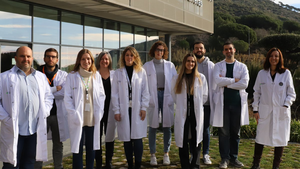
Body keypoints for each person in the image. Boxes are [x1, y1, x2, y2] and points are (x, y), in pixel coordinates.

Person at [0, 46, 54, 168]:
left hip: (33, 131)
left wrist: (44, 112)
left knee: (29, 164)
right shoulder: (4, 77)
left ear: (32, 58)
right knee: (11, 165)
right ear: (16, 58)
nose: (26, 59)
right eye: (22, 56)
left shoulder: (40, 77)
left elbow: (49, 97)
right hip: (14, 130)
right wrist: (6, 120)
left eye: (28, 56)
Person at [251, 48, 296, 169]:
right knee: (260, 137)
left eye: (276, 56)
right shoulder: (262, 73)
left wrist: (286, 105)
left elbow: (291, 94)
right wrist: (255, 109)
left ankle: (275, 166)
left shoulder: (286, 73)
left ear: (280, 58)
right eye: (271, 56)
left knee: (280, 139)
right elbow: (256, 92)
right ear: (268, 58)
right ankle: (256, 164)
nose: (274, 58)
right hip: (265, 111)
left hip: (281, 111)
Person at [64, 49, 106, 169]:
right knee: (77, 148)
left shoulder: (96, 75)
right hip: (78, 118)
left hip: (92, 117)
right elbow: (67, 98)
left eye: (88, 59)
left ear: (92, 61)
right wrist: (73, 114)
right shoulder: (72, 76)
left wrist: (100, 112)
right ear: (79, 61)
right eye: (83, 59)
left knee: (91, 147)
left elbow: (102, 95)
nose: (86, 61)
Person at [212, 42, 249, 169]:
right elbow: (217, 80)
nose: (228, 51)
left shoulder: (242, 67)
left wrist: (226, 83)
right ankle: (224, 159)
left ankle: (234, 158)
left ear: (234, 50)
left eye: (230, 49)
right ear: (223, 52)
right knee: (223, 133)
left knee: (235, 133)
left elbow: (244, 84)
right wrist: (234, 81)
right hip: (223, 105)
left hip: (237, 104)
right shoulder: (218, 66)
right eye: (226, 49)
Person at [111, 46, 149, 169]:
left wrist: (144, 108)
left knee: (137, 138)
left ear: (135, 57)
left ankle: (137, 164)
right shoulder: (118, 73)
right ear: (123, 57)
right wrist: (116, 110)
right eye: (127, 55)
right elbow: (114, 94)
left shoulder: (141, 71)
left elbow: (145, 91)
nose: (129, 57)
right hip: (124, 109)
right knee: (127, 139)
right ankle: (130, 164)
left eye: (131, 55)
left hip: (137, 109)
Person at [171, 53, 208, 169]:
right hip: (183, 114)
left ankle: (195, 165)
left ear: (195, 64)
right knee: (183, 142)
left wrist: (196, 106)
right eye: (188, 61)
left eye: (193, 61)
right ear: (184, 62)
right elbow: (174, 96)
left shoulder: (201, 78)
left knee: (196, 141)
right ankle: (185, 165)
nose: (190, 63)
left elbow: (205, 96)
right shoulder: (177, 78)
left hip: (195, 114)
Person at [143, 41, 177, 166]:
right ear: (153, 51)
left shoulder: (170, 65)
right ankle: (153, 154)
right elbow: (144, 83)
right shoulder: (147, 66)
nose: (159, 52)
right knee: (152, 126)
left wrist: (173, 97)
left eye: (162, 50)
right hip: (153, 95)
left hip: (166, 95)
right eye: (157, 49)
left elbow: (175, 82)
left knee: (167, 126)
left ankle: (166, 153)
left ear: (164, 52)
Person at [35, 48, 69, 169]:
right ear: (44, 58)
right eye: (48, 56)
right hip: (41, 115)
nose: (51, 59)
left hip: (56, 115)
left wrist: (46, 92)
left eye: (53, 57)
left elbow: (64, 93)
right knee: (39, 143)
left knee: (58, 144)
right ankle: (37, 166)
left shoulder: (63, 75)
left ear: (57, 59)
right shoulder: (37, 74)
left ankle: (58, 166)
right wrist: (55, 89)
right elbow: (36, 94)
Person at [192, 41, 215, 165]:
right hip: (192, 104)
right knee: (193, 129)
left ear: (204, 50)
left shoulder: (211, 65)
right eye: (196, 48)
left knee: (205, 129)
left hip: (206, 104)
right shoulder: (191, 63)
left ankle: (205, 154)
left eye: (201, 48)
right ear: (193, 50)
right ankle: (194, 154)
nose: (199, 50)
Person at [95, 52, 116, 169]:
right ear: (99, 61)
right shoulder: (94, 74)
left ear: (110, 61)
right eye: (102, 59)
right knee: (97, 137)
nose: (104, 61)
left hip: (110, 109)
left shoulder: (114, 74)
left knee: (110, 136)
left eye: (106, 59)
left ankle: (108, 161)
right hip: (98, 110)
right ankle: (98, 162)